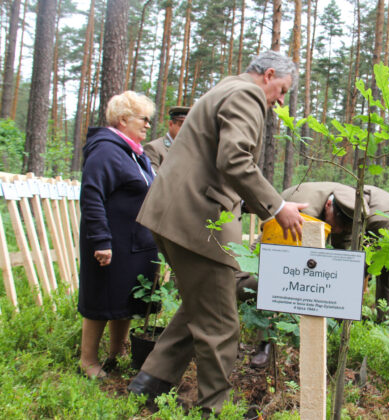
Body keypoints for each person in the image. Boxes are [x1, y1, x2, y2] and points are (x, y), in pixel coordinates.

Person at [127, 50, 306, 415]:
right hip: (199, 219)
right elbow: (234, 159)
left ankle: (149, 384)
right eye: (283, 90)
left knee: (199, 305)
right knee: (220, 322)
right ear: (269, 74)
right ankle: (215, 409)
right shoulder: (248, 94)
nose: (281, 100)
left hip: (175, 214)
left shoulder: (225, 87)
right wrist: (276, 207)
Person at [239, 181, 389, 367]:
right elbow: (290, 267)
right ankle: (265, 342)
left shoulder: (348, 208)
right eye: (337, 226)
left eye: (343, 228)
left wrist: (347, 290)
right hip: (284, 224)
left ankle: (388, 344)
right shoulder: (308, 210)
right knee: (275, 281)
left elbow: (343, 258)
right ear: (329, 205)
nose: (338, 231)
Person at [78, 91, 158, 379]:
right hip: (111, 242)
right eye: (144, 119)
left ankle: (117, 350)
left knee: (124, 299)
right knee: (100, 299)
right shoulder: (106, 150)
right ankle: (87, 359)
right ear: (123, 120)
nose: (148, 125)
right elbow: (91, 196)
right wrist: (100, 240)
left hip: (134, 243)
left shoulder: (133, 153)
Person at [144, 106, 190, 171]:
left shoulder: (190, 150)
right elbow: (152, 179)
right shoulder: (153, 148)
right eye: (182, 126)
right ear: (171, 124)